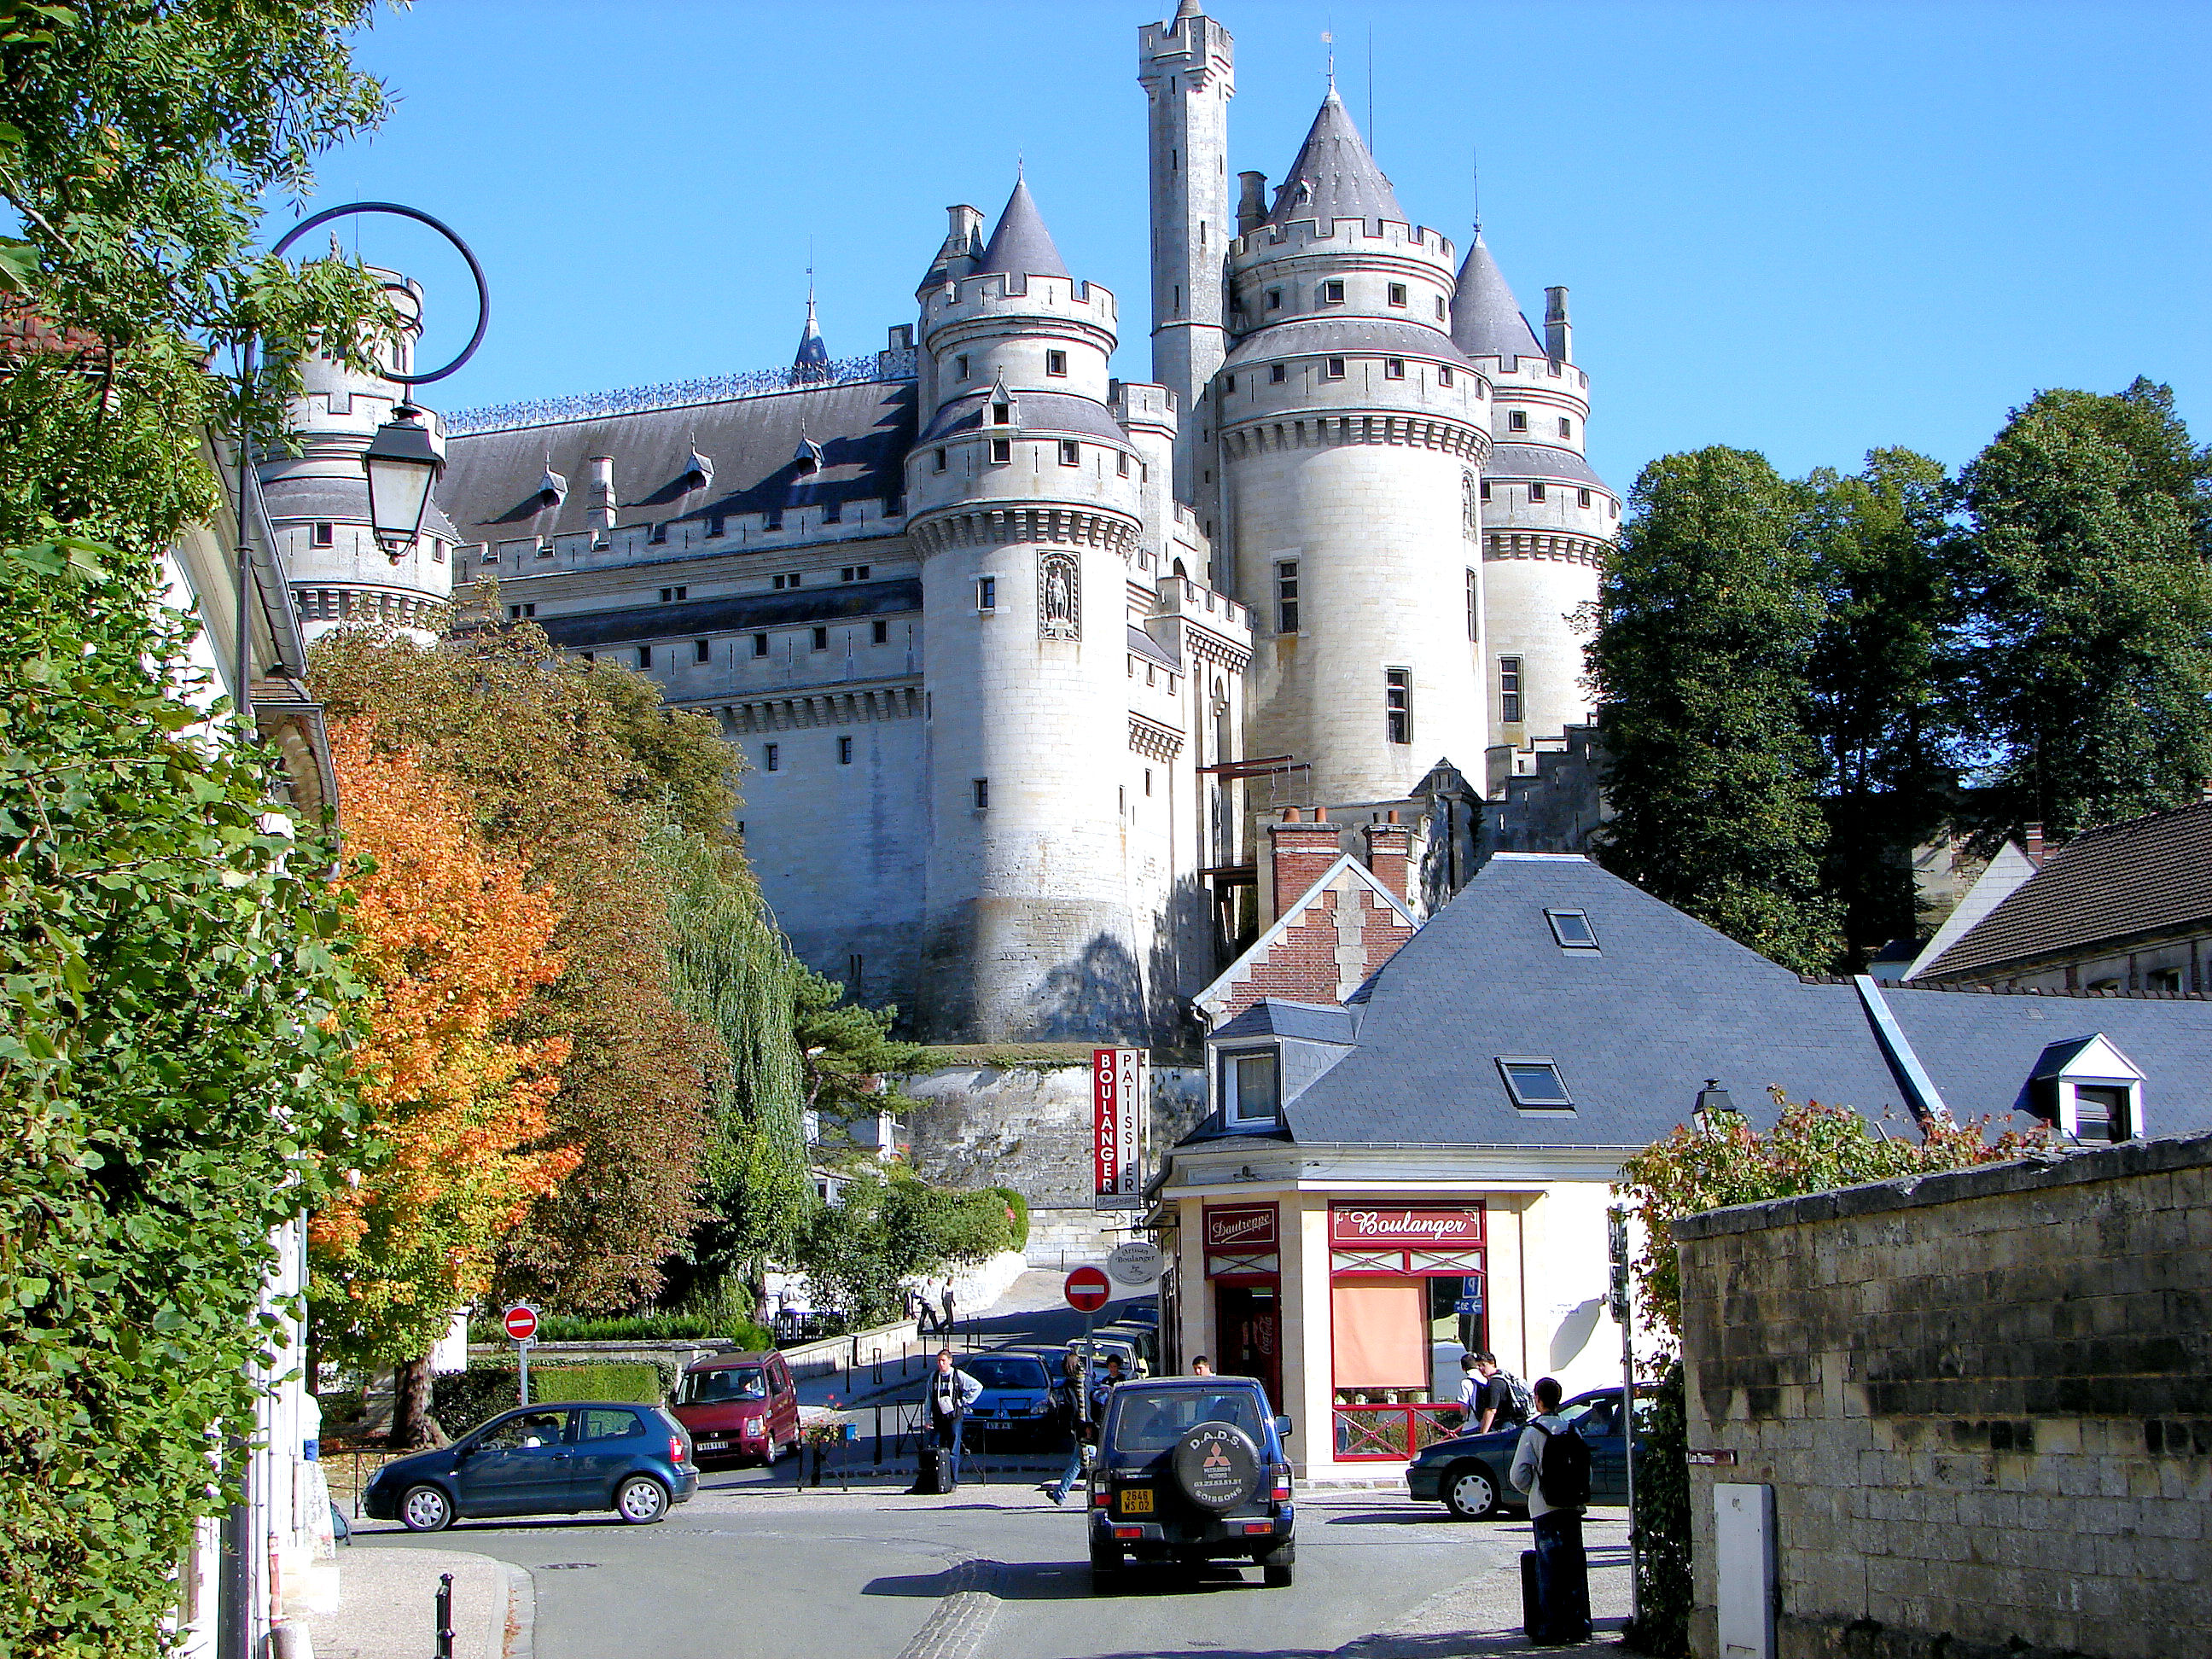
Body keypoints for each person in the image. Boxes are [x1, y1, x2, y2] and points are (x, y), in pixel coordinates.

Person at [1509, 1377, 1592, 1645]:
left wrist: (1533, 1490)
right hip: (1573, 1506)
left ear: (1538, 1399)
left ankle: (1552, 1625)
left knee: (1549, 1566)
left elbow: (1518, 1475)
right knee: (1574, 1564)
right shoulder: (1572, 1430)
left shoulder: (1533, 1432)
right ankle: (1578, 1621)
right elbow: (1585, 1469)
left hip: (1545, 1507)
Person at [922, 1347, 981, 1491]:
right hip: (938, 1416)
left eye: (943, 1361)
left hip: (954, 1417)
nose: (940, 1364)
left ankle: (953, 1481)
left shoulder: (958, 1375)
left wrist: (963, 1402)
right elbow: (929, 1398)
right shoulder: (934, 1377)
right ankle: (936, 1479)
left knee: (953, 1449)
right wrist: (927, 1418)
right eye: (938, 1361)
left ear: (950, 1361)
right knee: (935, 1446)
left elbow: (977, 1387)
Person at [1042, 1350, 1091, 1505]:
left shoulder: (1071, 1384)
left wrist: (1072, 1427)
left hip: (1083, 1426)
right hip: (1091, 1424)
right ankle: (1060, 1493)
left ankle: (1061, 1494)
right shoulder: (1086, 1381)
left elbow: (1074, 1408)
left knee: (1080, 1459)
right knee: (1077, 1459)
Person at [1460, 1351, 1526, 1435]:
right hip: (1513, 1424)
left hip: (1503, 1426)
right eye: (1479, 1366)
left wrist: (1483, 1434)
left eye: (1484, 1365)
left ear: (1493, 1364)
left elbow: (1491, 1410)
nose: (1481, 1369)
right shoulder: (1503, 1377)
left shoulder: (1495, 1384)